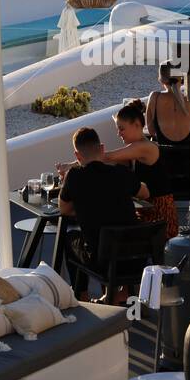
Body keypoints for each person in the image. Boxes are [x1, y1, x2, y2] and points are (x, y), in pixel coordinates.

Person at [58, 127, 150, 299]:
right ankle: (115, 295)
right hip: (136, 258)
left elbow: (64, 209)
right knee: (118, 228)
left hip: (101, 262)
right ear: (102, 149)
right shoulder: (121, 173)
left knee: (70, 239)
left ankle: (82, 295)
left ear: (77, 157)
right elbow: (145, 193)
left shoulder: (74, 176)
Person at [99, 99, 178, 243]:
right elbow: (104, 161)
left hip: (159, 220)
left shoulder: (145, 147)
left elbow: (107, 156)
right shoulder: (134, 150)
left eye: (121, 129)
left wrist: (74, 163)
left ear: (136, 124)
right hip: (146, 211)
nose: (119, 134)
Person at [146, 60, 190, 145]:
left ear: (161, 80)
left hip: (166, 155)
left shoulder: (154, 97)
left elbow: (151, 131)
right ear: (181, 77)